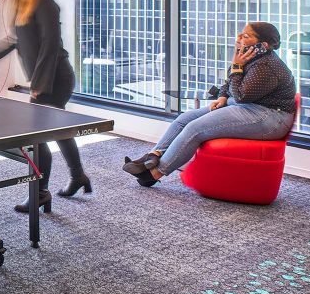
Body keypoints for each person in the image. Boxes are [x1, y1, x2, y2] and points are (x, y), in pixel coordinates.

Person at [0, 0, 91, 214]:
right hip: (45, 78)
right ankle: (77, 176)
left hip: (56, 78)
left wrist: (39, 84)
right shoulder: (21, 5)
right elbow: (16, 41)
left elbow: (49, 46)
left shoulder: (45, 4)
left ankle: (40, 192)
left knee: (37, 137)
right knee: (56, 129)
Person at [123, 21, 297, 187]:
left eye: (245, 36)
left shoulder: (267, 66)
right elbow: (230, 82)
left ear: (263, 45)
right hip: (244, 105)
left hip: (269, 116)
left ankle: (153, 174)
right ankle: (153, 155)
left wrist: (236, 66)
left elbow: (242, 95)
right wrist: (222, 95)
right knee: (185, 118)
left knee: (195, 129)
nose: (238, 37)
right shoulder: (249, 56)